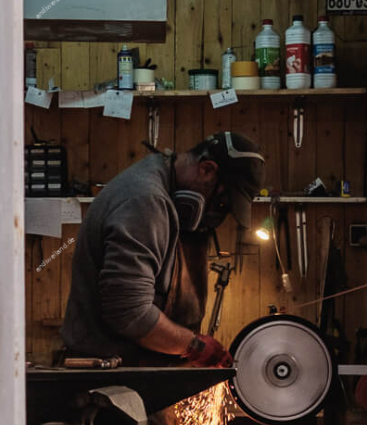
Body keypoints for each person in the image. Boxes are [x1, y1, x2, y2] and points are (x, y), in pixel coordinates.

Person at [60, 130, 264, 367]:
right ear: (206, 169)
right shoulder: (145, 201)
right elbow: (129, 314)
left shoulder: (165, 186)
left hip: (136, 369)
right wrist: (194, 346)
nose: (217, 213)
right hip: (110, 378)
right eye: (221, 202)